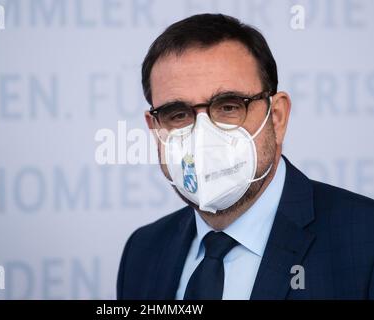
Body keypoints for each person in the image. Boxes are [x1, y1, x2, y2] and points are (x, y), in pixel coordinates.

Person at [117, 13, 374, 300]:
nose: (203, 138)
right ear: (155, 129)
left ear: (276, 117)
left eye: (229, 107)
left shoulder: (365, 241)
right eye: (178, 114)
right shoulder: (143, 251)